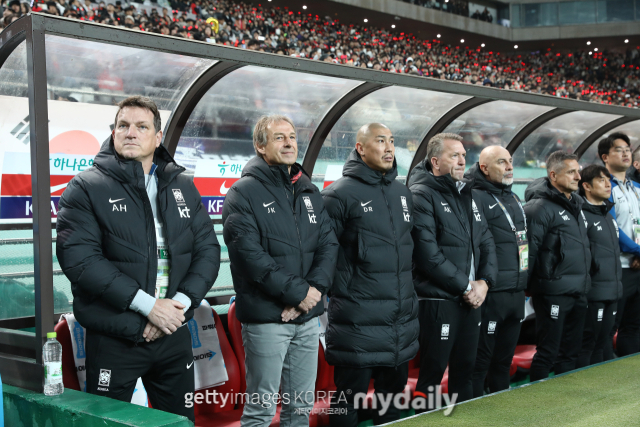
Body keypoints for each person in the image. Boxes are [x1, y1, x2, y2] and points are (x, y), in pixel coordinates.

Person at [56, 96, 220, 422]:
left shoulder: (182, 186)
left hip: (173, 334)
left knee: (178, 421)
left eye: (142, 126)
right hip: (116, 338)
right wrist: (149, 307)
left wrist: (178, 306)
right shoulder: (85, 187)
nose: (131, 132)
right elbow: (81, 260)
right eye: (123, 125)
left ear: (157, 137)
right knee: (105, 422)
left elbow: (208, 251)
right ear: (113, 132)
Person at [222, 115, 338, 427]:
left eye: (292, 136)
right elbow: (250, 257)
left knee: (299, 409)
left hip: (307, 316)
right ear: (260, 146)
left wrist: (311, 294)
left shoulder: (309, 189)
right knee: (261, 412)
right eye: (279, 138)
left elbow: (328, 246)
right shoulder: (241, 193)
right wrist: (301, 294)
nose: (289, 143)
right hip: (267, 319)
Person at [320, 123, 418, 427]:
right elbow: (323, 256)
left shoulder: (403, 192)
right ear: (361, 148)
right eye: (380, 141)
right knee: (345, 404)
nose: (389, 148)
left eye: (391, 141)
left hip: (400, 323)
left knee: (391, 402)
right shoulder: (337, 195)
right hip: (357, 324)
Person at [409, 133, 497, 406]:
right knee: (431, 377)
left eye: (463, 155)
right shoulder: (420, 194)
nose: (462, 161)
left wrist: (484, 282)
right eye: (454, 155)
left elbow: (486, 241)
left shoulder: (467, 193)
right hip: (439, 300)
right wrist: (468, 286)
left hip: (471, 299)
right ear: (435, 162)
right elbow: (428, 255)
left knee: (466, 373)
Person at [464, 146, 527, 397]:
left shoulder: (513, 197)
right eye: (502, 162)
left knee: (504, 361)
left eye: (510, 161)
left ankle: (503, 412)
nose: (509, 166)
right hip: (491, 293)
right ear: (484, 167)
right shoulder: (475, 197)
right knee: (481, 363)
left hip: (517, 291)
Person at [524, 151, 590, 381]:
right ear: (553, 175)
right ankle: (537, 402)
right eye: (571, 172)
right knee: (547, 352)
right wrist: (524, 287)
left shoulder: (577, 205)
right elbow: (528, 251)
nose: (578, 177)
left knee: (570, 352)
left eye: (578, 171)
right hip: (552, 292)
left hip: (578, 291)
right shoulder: (538, 207)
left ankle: (565, 402)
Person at [598, 133, 640, 357]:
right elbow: (612, 228)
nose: (625, 153)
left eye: (627, 149)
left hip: (637, 265)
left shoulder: (636, 187)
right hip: (618, 270)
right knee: (609, 327)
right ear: (605, 157)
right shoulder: (604, 187)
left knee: (634, 327)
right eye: (619, 149)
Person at [577, 164, 622, 367]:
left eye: (608, 180)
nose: (607, 184)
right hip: (593, 292)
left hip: (612, 290)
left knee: (604, 343)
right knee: (588, 344)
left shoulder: (608, 215)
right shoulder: (582, 215)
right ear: (586, 185)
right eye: (601, 180)